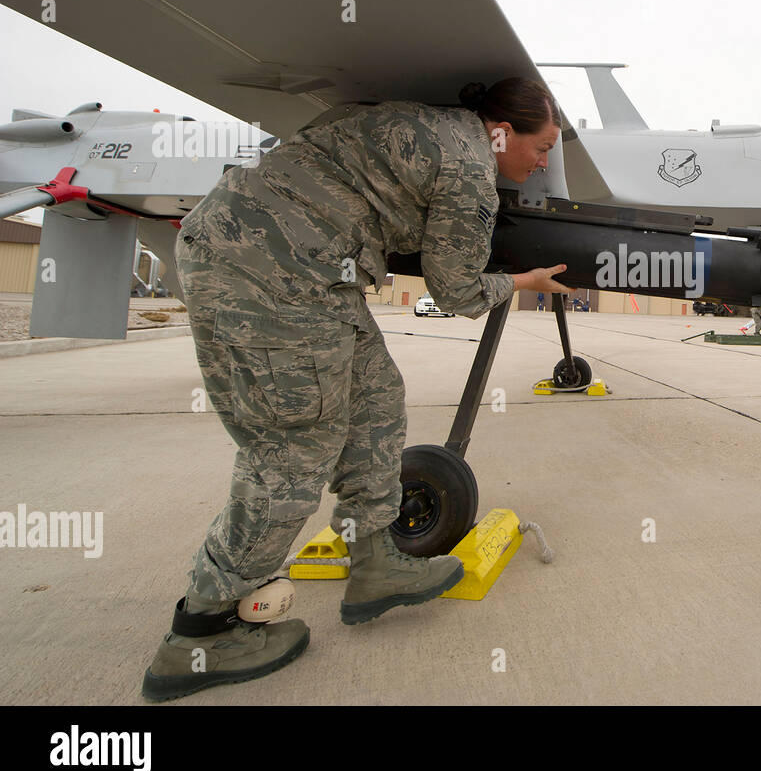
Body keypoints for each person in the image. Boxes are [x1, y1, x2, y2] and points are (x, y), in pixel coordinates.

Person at [141, 79, 573, 701]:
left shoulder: (423, 120)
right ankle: (202, 629)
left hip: (295, 263)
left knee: (375, 397)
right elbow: (455, 291)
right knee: (293, 449)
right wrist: (521, 281)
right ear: (503, 130)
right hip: (273, 269)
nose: (543, 163)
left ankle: (376, 560)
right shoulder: (470, 168)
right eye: (544, 147)